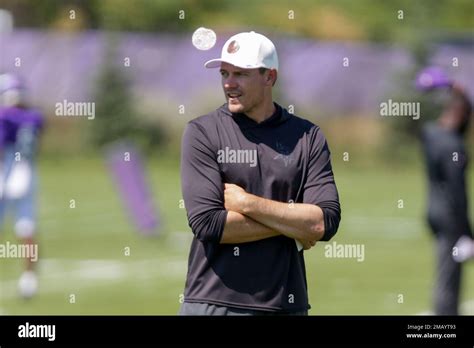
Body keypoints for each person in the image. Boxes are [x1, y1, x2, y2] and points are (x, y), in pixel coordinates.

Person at [179, 31, 341, 315]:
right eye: (224, 73)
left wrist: (248, 204)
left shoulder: (307, 136)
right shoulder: (202, 132)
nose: (229, 83)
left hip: (286, 305)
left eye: (240, 74)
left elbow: (324, 221)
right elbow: (209, 224)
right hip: (214, 304)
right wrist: (295, 224)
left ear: (270, 77)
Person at [420, 83, 473, 315]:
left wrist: (452, 87)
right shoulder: (453, 146)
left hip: (433, 212)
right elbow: (457, 192)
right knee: (449, 278)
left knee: (445, 270)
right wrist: (467, 231)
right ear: (461, 115)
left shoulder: (432, 136)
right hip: (450, 218)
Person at [0, 73, 44, 298]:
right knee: (26, 228)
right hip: (27, 172)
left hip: (6, 170)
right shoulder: (34, 117)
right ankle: (29, 280)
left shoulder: (4, 116)